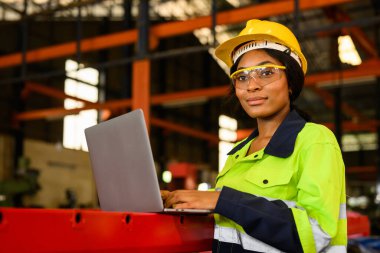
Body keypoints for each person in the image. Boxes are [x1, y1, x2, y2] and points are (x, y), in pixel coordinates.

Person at [161, 19, 347, 253]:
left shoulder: (315, 141)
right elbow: (235, 215)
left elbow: (315, 234)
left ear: (291, 81)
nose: (252, 86)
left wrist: (221, 201)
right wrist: (180, 200)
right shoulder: (238, 153)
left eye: (266, 72)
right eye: (242, 77)